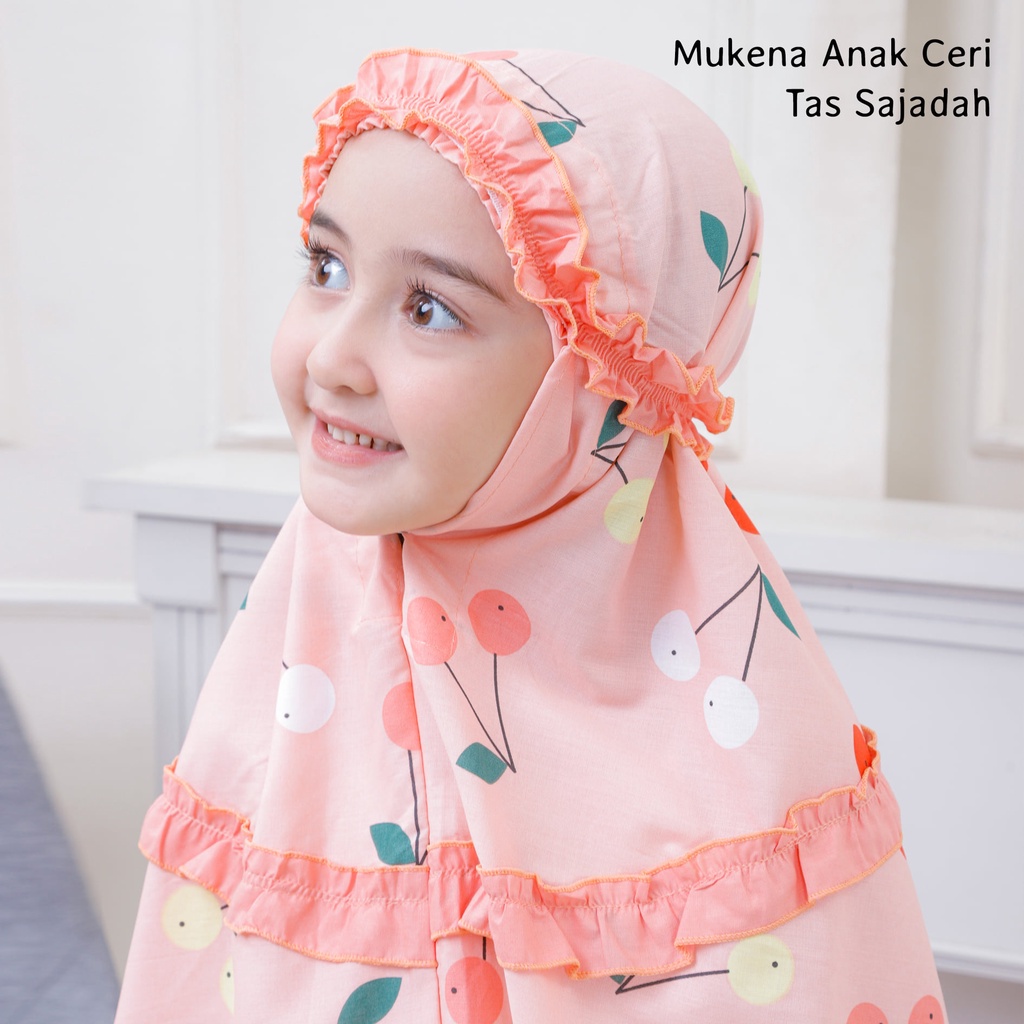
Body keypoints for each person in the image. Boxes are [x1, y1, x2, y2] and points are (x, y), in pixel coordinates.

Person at [115, 48, 946, 1023]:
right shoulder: (293, 641)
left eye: (430, 310)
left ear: (597, 381)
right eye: (325, 267)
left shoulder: (749, 750)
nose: (332, 357)